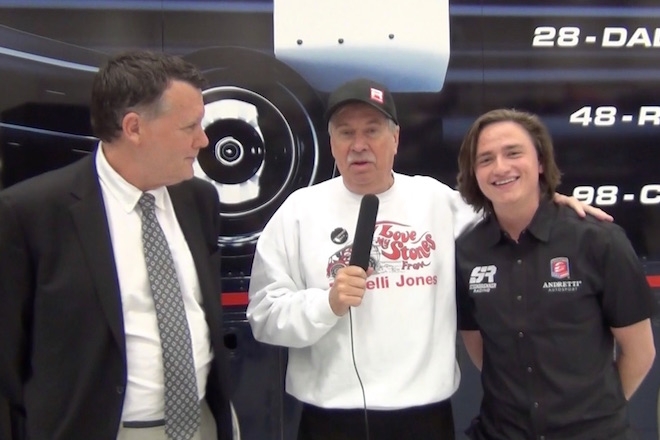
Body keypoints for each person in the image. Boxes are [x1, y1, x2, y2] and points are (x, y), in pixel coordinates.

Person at [246, 78, 610, 440]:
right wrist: (327, 304)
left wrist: (549, 202)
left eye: (372, 130)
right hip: (331, 421)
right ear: (332, 143)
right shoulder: (298, 212)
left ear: (395, 139)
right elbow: (264, 316)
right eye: (346, 133)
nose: (359, 145)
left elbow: (508, 215)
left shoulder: (436, 200)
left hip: (424, 419)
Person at [0, 51, 233, 440]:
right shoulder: (31, 212)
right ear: (134, 128)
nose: (203, 139)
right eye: (189, 126)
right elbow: (8, 358)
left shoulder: (199, 199)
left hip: (200, 423)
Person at [455, 108, 656, 440]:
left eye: (513, 153)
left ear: (540, 162)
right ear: (474, 173)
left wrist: (592, 417)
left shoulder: (599, 240)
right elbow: (480, 350)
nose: (500, 167)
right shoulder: (466, 251)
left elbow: (640, 352)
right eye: (485, 159)